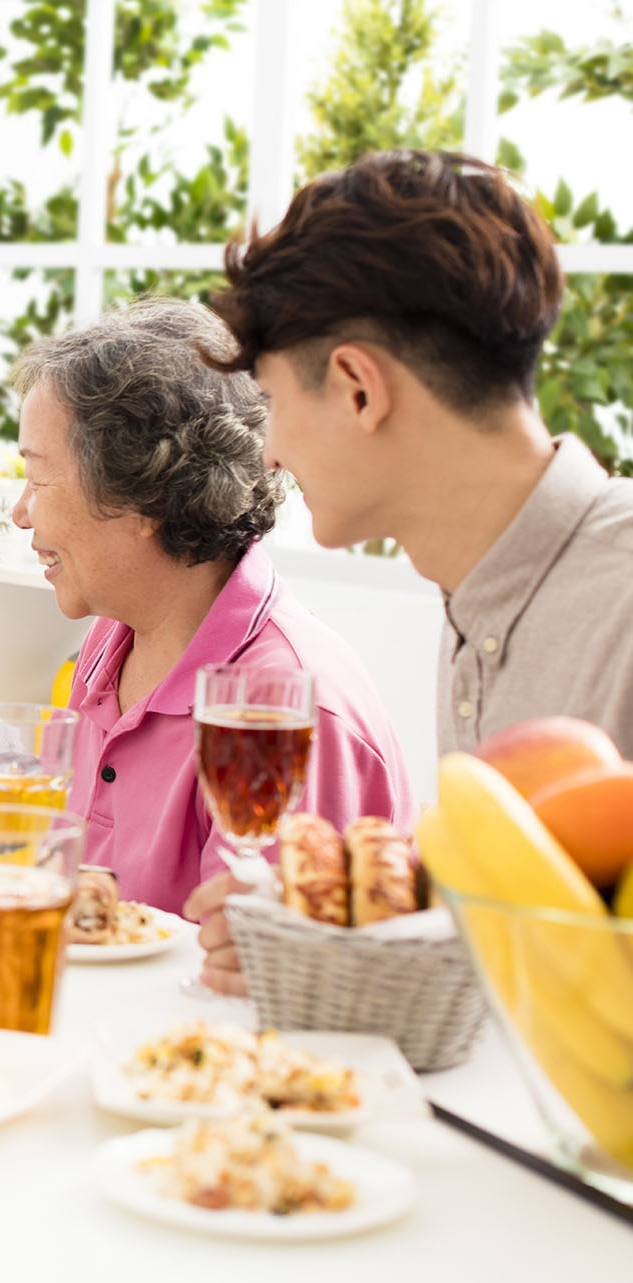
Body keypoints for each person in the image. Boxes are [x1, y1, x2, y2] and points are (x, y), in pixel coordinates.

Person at [190, 148, 633, 993]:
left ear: (358, 388)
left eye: (275, 402)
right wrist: (329, 942)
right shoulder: (482, 581)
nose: (272, 451)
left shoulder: (617, 598)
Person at [9, 297, 418, 925]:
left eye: (37, 480)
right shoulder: (112, 635)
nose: (19, 511)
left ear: (143, 499)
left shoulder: (284, 711)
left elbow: (274, 978)